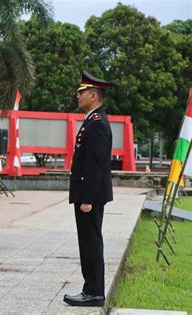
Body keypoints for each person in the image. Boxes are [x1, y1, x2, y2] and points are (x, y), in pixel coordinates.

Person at [64, 71, 113, 307]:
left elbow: (95, 166)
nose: (78, 96)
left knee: (91, 242)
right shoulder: (93, 120)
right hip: (87, 195)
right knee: (88, 242)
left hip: (89, 197)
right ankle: (91, 289)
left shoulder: (97, 124)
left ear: (93, 95)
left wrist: (87, 199)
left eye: (81, 92)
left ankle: (93, 292)